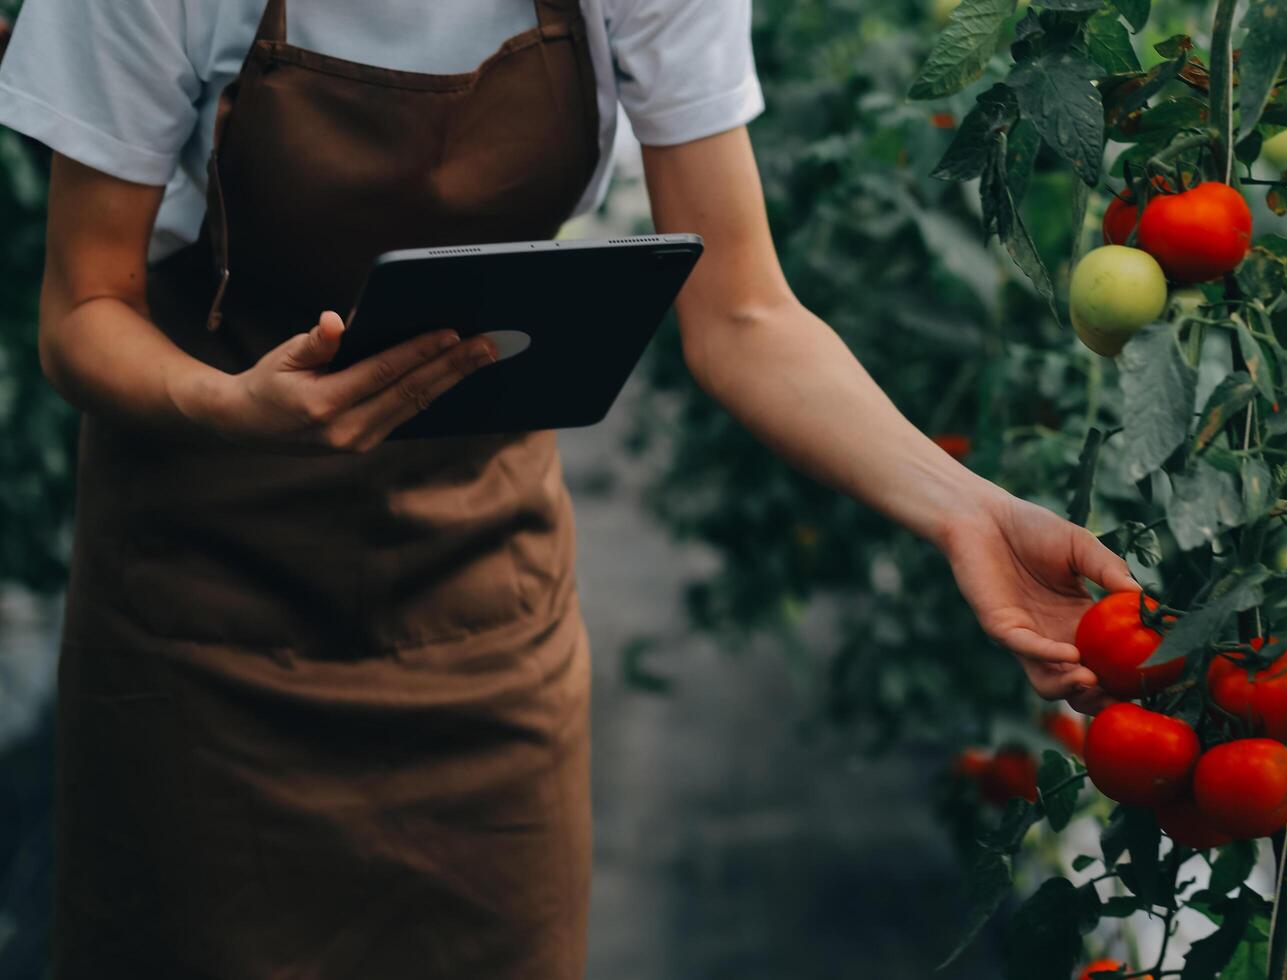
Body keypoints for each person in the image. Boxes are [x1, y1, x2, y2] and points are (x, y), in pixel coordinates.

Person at [0, 0, 1135, 976]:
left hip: (479, 605)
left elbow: (743, 311)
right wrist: (229, 406)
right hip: (201, 615)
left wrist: (962, 506)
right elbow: (82, 310)